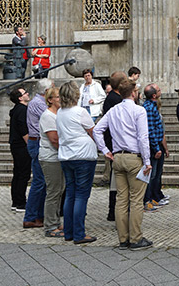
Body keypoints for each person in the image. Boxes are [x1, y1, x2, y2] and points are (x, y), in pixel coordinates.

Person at [94, 79, 154, 250]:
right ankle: (135, 238)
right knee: (136, 200)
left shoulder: (113, 110)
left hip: (118, 157)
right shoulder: (139, 110)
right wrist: (147, 161)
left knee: (121, 199)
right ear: (133, 93)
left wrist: (105, 150)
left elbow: (97, 130)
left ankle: (123, 238)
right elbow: (143, 137)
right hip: (134, 157)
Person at [56, 81, 98, 244]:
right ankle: (79, 233)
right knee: (81, 195)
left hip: (66, 155)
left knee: (70, 194)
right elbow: (93, 131)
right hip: (83, 155)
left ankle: (69, 232)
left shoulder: (60, 112)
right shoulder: (80, 112)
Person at [23, 78, 54, 229]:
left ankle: (39, 215)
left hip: (39, 142)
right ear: (47, 91)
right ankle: (30, 216)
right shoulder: (38, 103)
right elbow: (51, 116)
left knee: (42, 181)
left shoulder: (40, 102)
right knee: (39, 181)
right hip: (37, 142)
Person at [101, 71, 127, 217]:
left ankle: (114, 209)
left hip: (113, 143)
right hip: (115, 144)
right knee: (116, 179)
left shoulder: (113, 98)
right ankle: (113, 209)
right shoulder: (115, 100)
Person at [38, 87, 64, 238]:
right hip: (50, 157)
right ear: (50, 100)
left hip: (58, 157)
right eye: (58, 97)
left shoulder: (59, 114)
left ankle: (55, 220)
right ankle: (50, 225)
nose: (61, 99)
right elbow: (54, 139)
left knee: (59, 190)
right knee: (53, 191)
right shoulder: (48, 116)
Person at [143, 84, 169, 210]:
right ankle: (147, 199)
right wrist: (156, 148)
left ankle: (154, 197)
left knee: (156, 174)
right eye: (158, 90)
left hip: (158, 143)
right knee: (151, 175)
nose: (160, 91)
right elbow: (150, 130)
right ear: (154, 95)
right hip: (153, 145)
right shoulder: (149, 108)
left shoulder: (153, 106)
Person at [8, 86, 30, 210]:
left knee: (17, 172)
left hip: (15, 144)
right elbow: (23, 129)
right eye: (25, 93)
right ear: (20, 98)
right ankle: (20, 202)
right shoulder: (22, 110)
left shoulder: (16, 109)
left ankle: (16, 201)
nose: (27, 94)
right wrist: (29, 143)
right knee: (23, 174)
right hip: (21, 145)